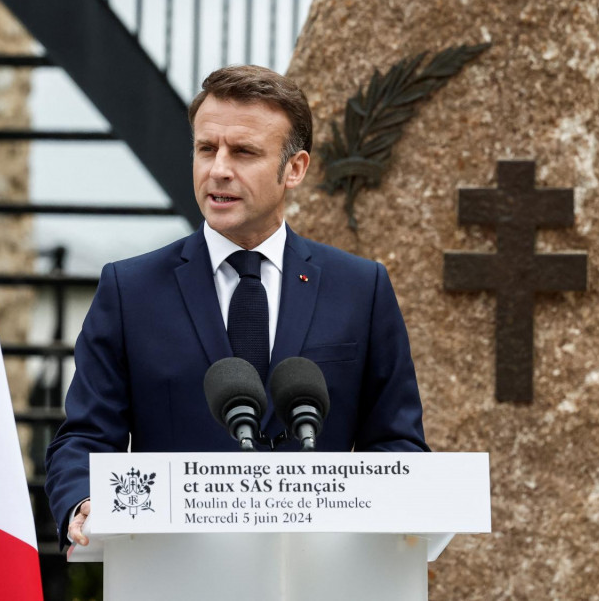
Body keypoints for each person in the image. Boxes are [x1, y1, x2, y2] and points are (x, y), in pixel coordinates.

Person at [45, 65, 428, 546]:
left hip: (320, 574)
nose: (218, 169)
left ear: (295, 169)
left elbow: (397, 442)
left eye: (243, 152)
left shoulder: (360, 288)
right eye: (206, 149)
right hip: (171, 573)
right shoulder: (129, 289)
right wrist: (84, 500)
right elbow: (85, 437)